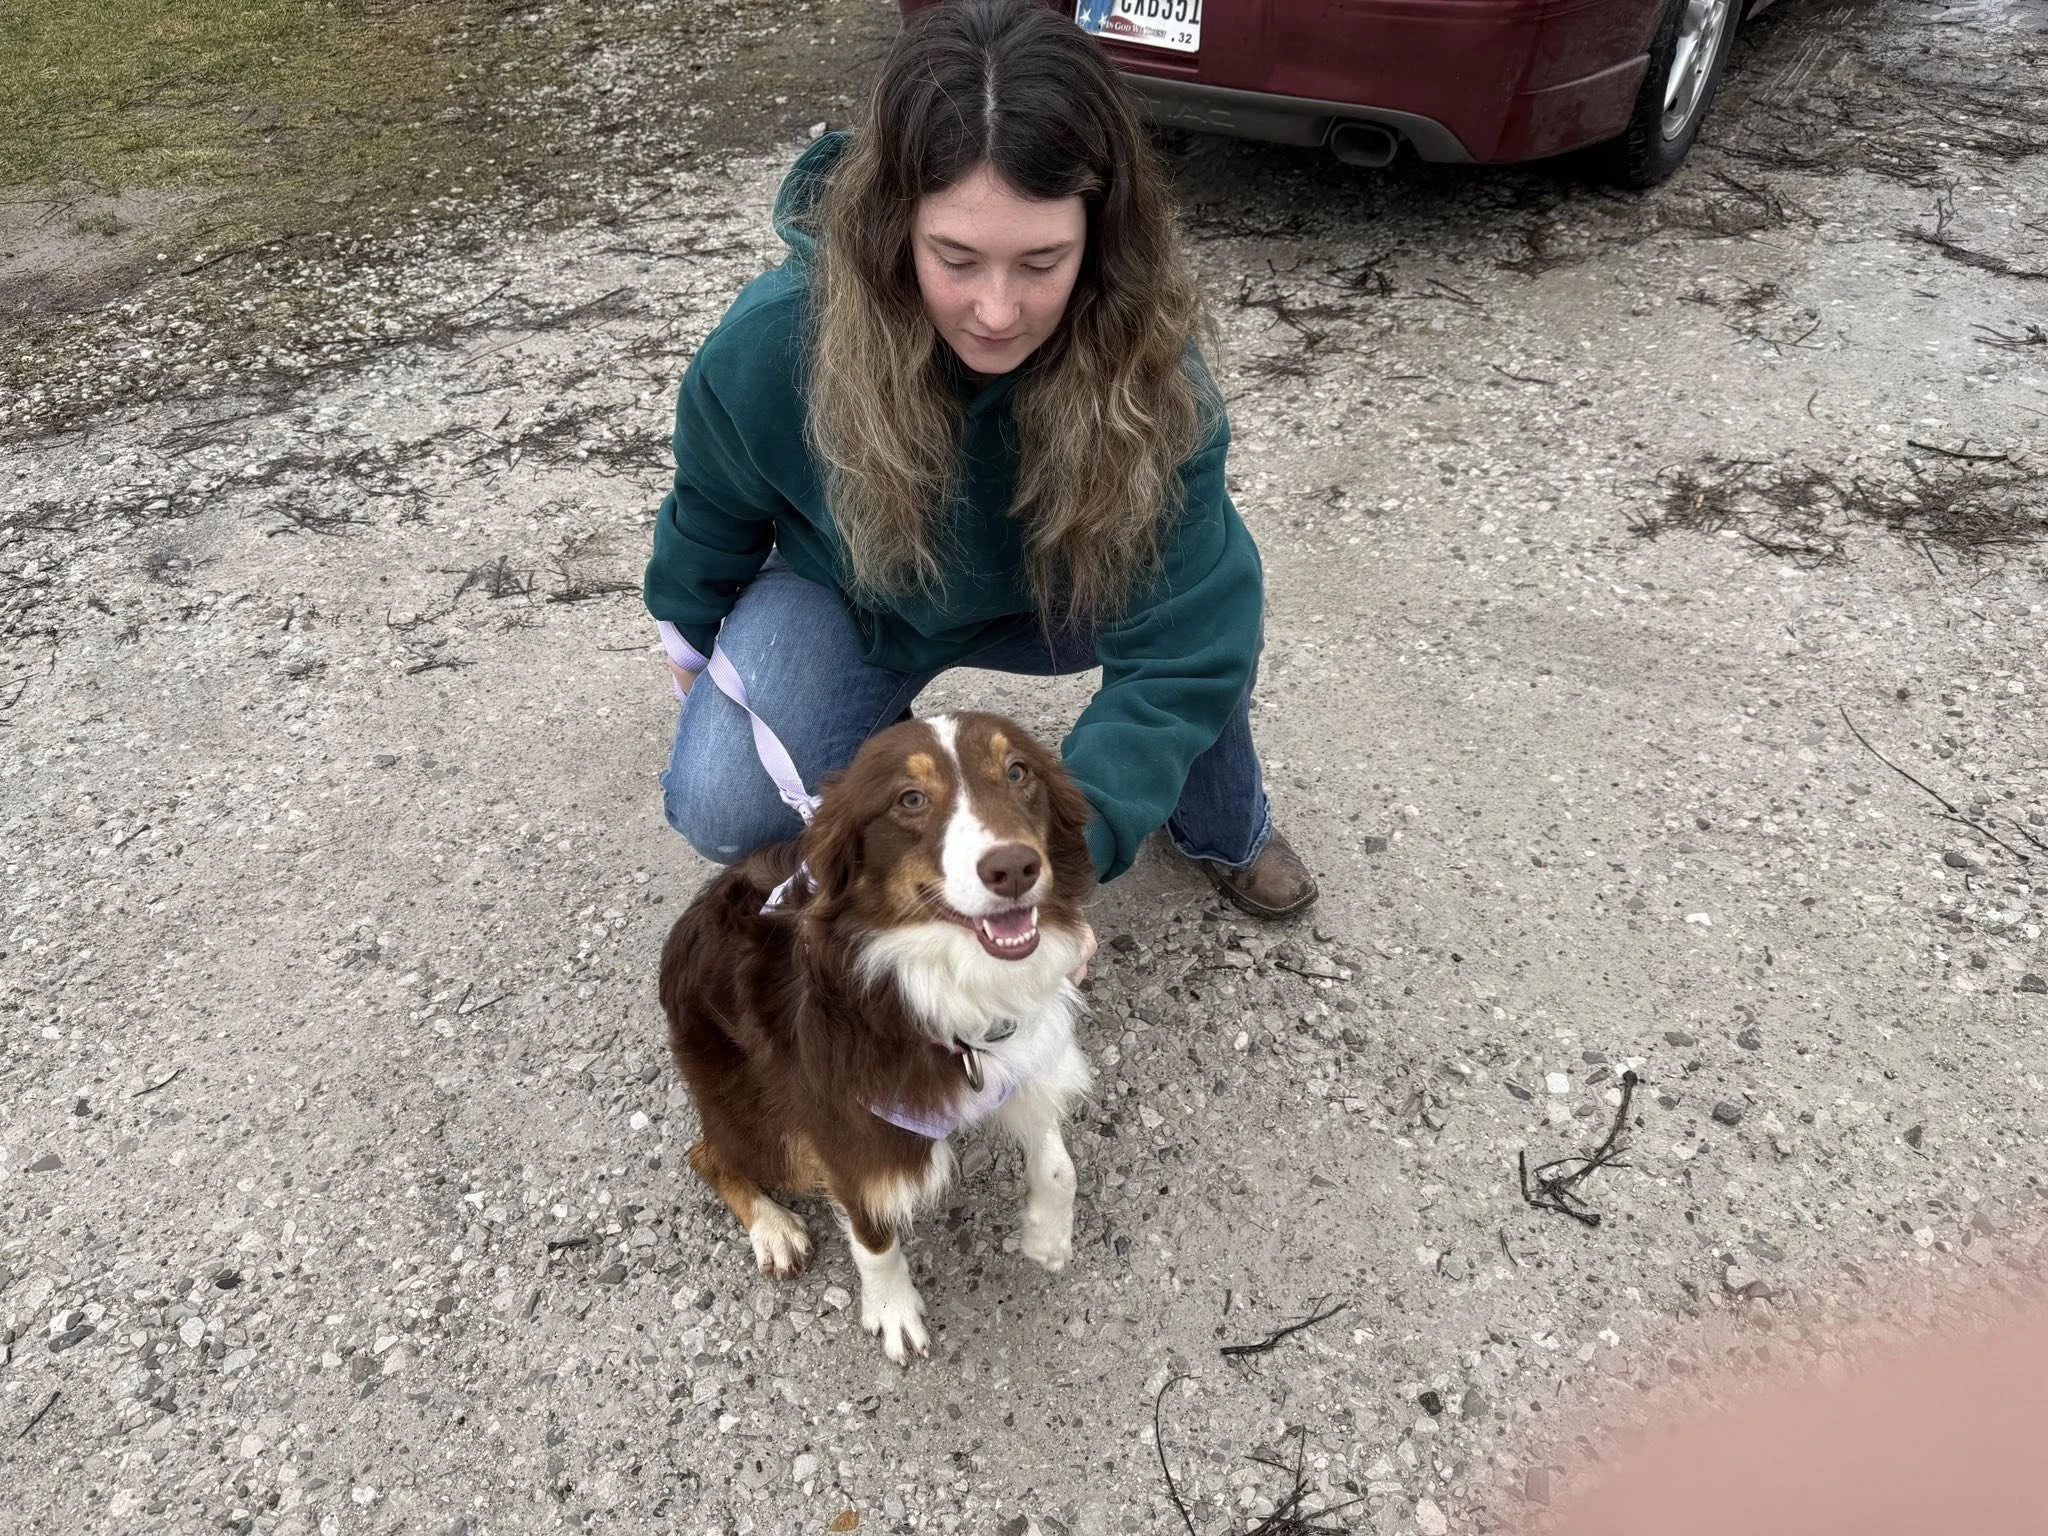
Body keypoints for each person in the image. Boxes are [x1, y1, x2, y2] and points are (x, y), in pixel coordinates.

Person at [642, 0, 1315, 919]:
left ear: (1101, 242)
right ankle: (879, 810)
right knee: (722, 802)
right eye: (955, 257)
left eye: (1042, 263)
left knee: (1206, 626)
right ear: (894, 227)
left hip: (1063, 588)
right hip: (863, 590)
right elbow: (715, 494)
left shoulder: (1156, 374)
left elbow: (1185, 639)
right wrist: (689, 624)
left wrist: (1073, 855)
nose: (996, 312)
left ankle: (1224, 826)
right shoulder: (774, 342)